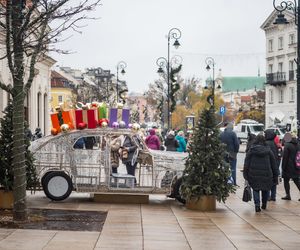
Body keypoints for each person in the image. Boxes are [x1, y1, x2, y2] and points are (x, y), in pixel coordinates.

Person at [243, 134, 278, 212]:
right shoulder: (269, 151)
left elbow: (246, 163)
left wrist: (245, 174)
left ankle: (257, 205)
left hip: (253, 174)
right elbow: (273, 164)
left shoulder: (251, 150)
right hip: (266, 174)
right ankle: (264, 204)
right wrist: (276, 175)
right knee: (265, 189)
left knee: (256, 189)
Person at [281, 132, 300, 201]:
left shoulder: (287, 145)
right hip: (296, 165)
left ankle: (288, 195)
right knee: (297, 181)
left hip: (288, 167)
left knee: (286, 181)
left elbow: (285, 158)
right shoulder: (298, 144)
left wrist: (283, 167)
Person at [265, 129, 280, 201]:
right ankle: (273, 196)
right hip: (275, 164)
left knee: (268, 181)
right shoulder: (274, 143)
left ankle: (267, 196)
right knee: (274, 181)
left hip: (268, 165)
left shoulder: (266, 143)